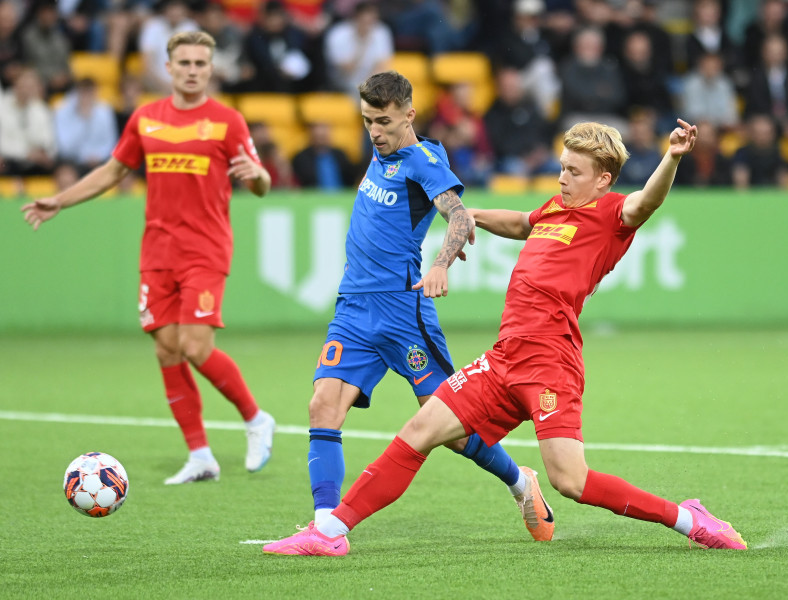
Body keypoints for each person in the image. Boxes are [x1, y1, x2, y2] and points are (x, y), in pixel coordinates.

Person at [263, 117, 749, 556]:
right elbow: (521, 223)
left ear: (602, 179)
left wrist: (671, 157)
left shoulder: (613, 216)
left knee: (570, 481)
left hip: (550, 362)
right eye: (562, 167)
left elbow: (649, 201)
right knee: (420, 431)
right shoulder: (555, 209)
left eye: (574, 172)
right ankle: (331, 532)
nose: (562, 178)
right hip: (502, 359)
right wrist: (468, 215)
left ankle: (689, 519)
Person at [295, 70, 553, 544]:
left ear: (409, 114)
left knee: (451, 429)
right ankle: (324, 526)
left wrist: (441, 263)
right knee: (322, 404)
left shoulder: (423, 159)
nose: (375, 132)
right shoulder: (380, 151)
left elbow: (457, 213)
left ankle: (521, 482)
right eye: (368, 121)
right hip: (353, 309)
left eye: (386, 122)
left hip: (403, 314)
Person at [21, 30, 276, 485]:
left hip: (205, 248)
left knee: (195, 346)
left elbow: (260, 185)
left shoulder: (227, 121)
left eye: (201, 63)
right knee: (166, 350)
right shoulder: (145, 118)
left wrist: (256, 174)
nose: (193, 70)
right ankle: (200, 455)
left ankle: (256, 418)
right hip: (158, 251)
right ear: (169, 67)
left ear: (211, 68)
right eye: (185, 63)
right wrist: (60, 199)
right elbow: (113, 170)